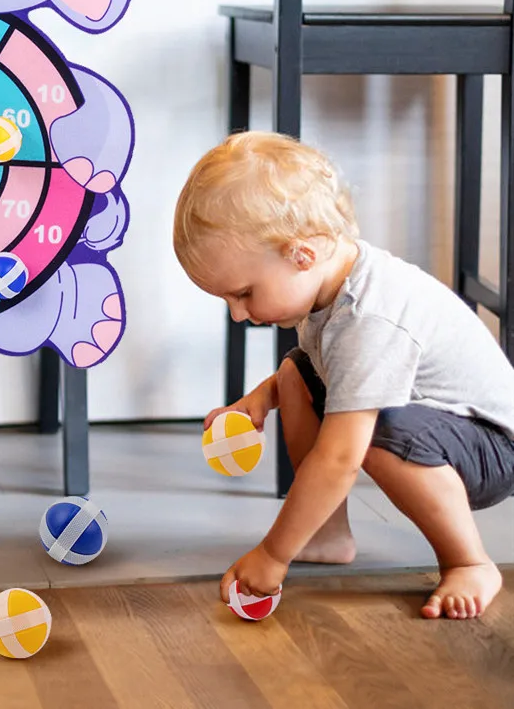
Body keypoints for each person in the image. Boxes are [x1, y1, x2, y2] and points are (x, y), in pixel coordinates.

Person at [173, 131, 514, 619]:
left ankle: (469, 561)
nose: (238, 315)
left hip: (494, 448)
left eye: (244, 293)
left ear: (301, 255)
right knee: (294, 375)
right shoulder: (332, 283)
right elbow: (322, 368)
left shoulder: (369, 318)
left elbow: (339, 460)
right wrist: (263, 397)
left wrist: (273, 555)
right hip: (442, 425)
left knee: (369, 433)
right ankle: (327, 532)